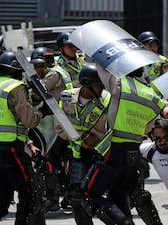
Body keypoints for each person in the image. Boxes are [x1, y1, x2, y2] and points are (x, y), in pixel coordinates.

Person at [81, 64, 168, 225]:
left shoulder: (120, 84)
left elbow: (102, 68)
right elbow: (148, 127)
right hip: (133, 154)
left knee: (88, 195)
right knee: (118, 197)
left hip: (113, 151)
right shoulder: (150, 94)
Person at [0, 51, 46, 225]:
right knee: (29, 194)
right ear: (17, 68)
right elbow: (29, 121)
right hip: (11, 150)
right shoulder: (17, 87)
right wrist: (42, 112)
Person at [55, 63, 111, 225]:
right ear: (87, 84)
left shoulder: (108, 99)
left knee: (109, 196)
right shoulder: (66, 97)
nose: (102, 87)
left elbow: (113, 128)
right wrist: (81, 137)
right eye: (98, 84)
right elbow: (59, 127)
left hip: (101, 154)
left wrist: (98, 143)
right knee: (77, 197)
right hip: (77, 154)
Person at [29, 46, 72, 212]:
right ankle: (68, 193)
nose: (37, 69)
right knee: (59, 159)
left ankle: (53, 200)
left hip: (65, 124)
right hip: (65, 121)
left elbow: (37, 94)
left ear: (48, 62)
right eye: (35, 66)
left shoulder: (53, 74)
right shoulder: (57, 70)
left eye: (40, 65)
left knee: (48, 159)